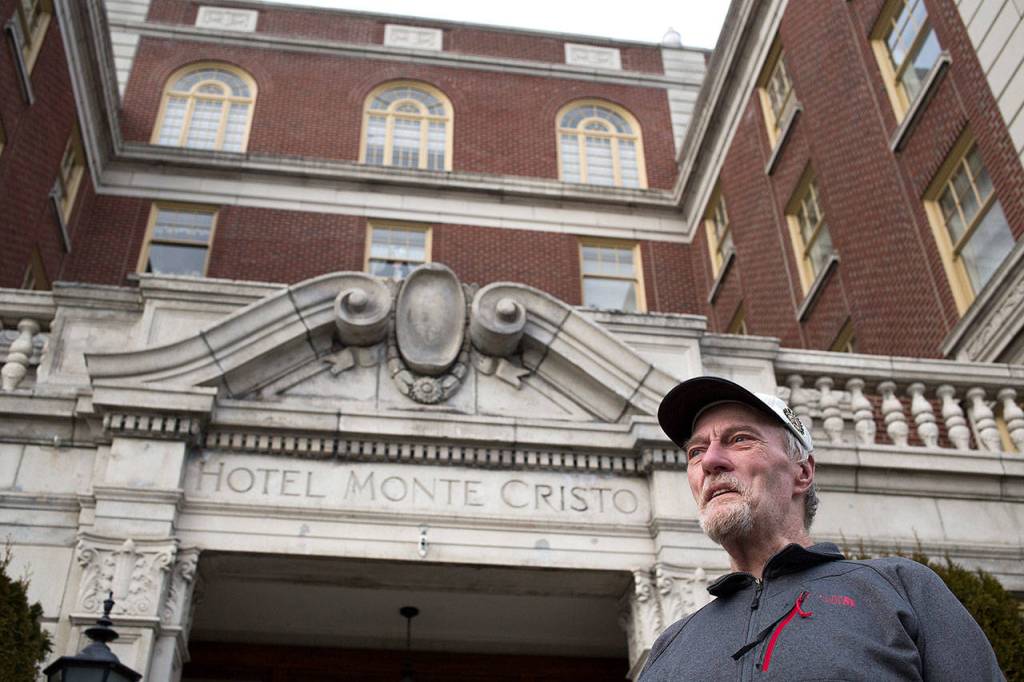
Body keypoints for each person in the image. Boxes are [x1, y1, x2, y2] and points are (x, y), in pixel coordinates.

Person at [640, 375, 1004, 681]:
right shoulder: (670, 647)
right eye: (695, 451)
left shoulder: (901, 588)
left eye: (739, 439)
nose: (710, 462)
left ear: (803, 472)